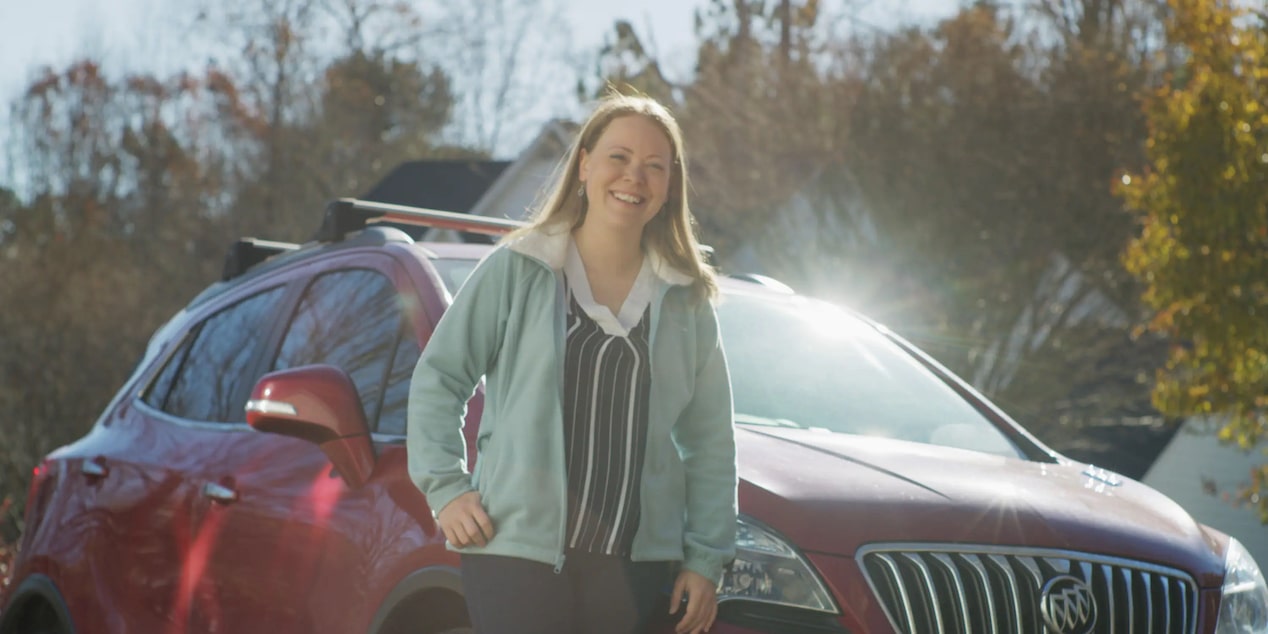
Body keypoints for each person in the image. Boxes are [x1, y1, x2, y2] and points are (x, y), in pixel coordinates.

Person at [406, 92, 738, 634]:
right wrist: (446, 488)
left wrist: (705, 559)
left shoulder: (687, 300)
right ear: (584, 163)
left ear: (669, 187)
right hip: (516, 555)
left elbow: (709, 441)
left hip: (638, 570)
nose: (635, 176)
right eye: (619, 157)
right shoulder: (517, 270)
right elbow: (440, 377)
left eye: (655, 166)